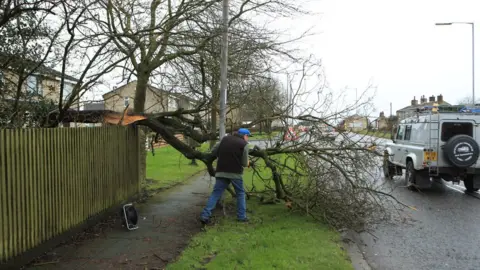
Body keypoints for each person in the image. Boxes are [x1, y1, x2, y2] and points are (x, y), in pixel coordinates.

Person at [200, 128, 252, 224]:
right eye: (248, 136)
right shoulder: (244, 145)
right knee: (240, 194)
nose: (248, 139)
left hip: (221, 171)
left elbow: (214, 151)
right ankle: (241, 217)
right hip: (235, 173)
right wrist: (248, 162)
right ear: (245, 136)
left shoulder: (225, 139)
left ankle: (205, 215)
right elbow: (244, 163)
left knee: (216, 193)